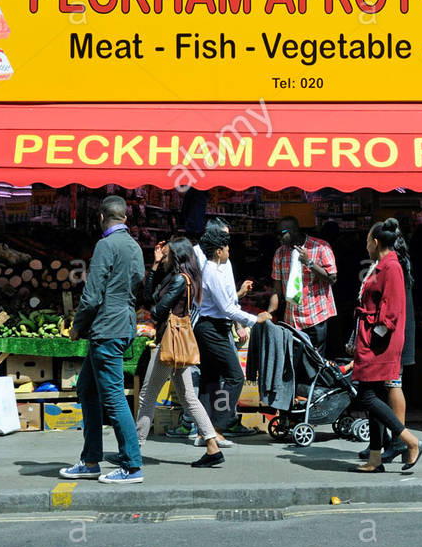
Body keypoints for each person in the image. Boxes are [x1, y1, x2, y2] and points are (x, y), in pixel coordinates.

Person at [62, 196, 147, 485]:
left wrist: (77, 326)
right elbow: (137, 284)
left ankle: (132, 466)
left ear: (101, 218)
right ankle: (90, 460)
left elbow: (92, 295)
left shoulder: (105, 245)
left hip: (106, 329)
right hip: (123, 325)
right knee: (87, 388)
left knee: (112, 397)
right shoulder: (134, 246)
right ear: (125, 218)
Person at [135, 238, 229, 468]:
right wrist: (155, 266)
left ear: (176, 257)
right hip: (177, 344)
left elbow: (156, 310)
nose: (163, 257)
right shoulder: (180, 278)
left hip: (169, 343)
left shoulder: (179, 280)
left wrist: (156, 306)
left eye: (166, 255)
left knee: (147, 395)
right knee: (188, 397)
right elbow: (148, 297)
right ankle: (212, 446)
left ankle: (134, 448)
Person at [352, 218, 422, 473]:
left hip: (379, 344)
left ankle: (410, 441)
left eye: (367, 241)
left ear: (375, 242)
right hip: (372, 340)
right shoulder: (382, 264)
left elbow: (391, 313)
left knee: (366, 396)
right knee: (372, 395)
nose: (366, 246)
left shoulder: (391, 267)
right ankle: (375, 458)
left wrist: (374, 336)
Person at [196, 224, 271, 436]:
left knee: (210, 379)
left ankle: (206, 429)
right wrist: (255, 320)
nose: (230, 251)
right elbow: (227, 308)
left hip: (212, 326)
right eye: (227, 247)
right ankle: (218, 426)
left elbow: (228, 303)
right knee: (235, 376)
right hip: (212, 328)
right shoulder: (211, 271)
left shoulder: (218, 267)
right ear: (218, 251)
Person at [270, 217, 338, 355]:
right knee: (295, 361)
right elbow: (277, 289)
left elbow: (332, 278)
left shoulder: (320, 247)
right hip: (292, 318)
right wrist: (270, 314)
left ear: (294, 231)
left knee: (315, 361)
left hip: (316, 316)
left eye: (281, 233)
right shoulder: (280, 253)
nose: (278, 237)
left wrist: (309, 263)